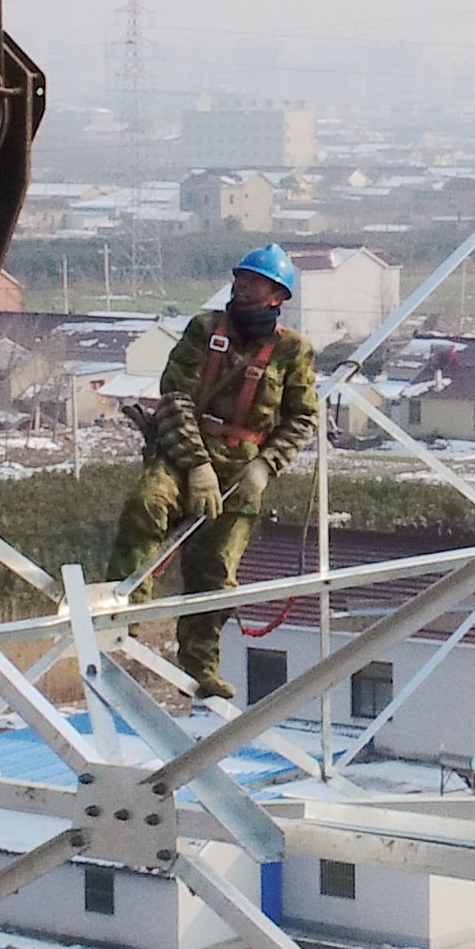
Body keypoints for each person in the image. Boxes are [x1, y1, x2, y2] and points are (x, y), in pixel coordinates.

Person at [111, 244, 323, 697]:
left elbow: (302, 417)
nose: (242, 287)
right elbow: (175, 397)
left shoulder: (292, 351)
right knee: (148, 505)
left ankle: (199, 666)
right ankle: (125, 611)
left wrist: (267, 465)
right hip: (184, 449)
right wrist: (197, 465)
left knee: (216, 574)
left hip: (243, 466)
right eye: (240, 279)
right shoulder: (204, 331)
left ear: (276, 296)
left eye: (254, 282)